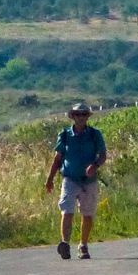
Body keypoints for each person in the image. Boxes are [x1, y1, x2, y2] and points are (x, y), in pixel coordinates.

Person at [44, 101, 107, 260]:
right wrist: (50, 179)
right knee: (67, 211)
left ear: (87, 117)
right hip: (70, 178)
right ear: (72, 116)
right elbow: (57, 158)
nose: (81, 117)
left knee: (87, 214)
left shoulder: (95, 134)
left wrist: (95, 165)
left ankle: (83, 245)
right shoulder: (64, 135)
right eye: (77, 114)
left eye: (84, 114)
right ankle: (65, 243)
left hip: (89, 181)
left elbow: (103, 155)